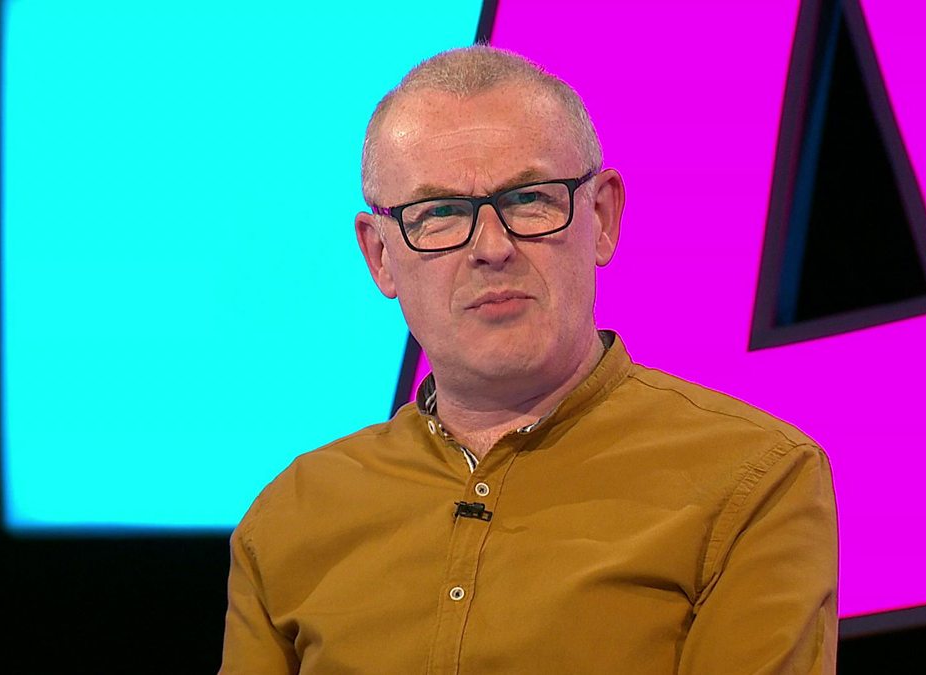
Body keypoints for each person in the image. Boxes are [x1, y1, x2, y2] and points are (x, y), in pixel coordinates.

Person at [220, 45, 837, 674]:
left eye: (529, 200)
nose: (492, 248)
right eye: (439, 214)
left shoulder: (753, 479)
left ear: (602, 217)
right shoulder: (290, 515)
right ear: (380, 256)